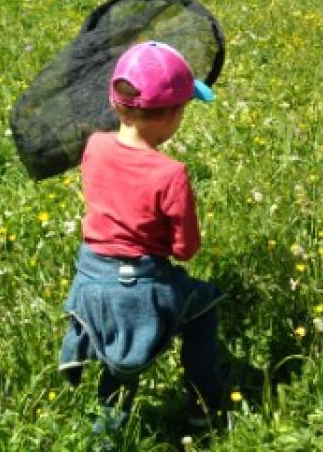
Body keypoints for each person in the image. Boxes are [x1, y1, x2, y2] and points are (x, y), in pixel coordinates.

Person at [58, 41, 224, 434]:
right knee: (204, 306)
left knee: (121, 357)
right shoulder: (170, 173)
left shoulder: (94, 145)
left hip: (90, 278)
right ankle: (204, 409)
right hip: (140, 286)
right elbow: (186, 250)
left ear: (116, 103)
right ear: (171, 116)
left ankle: (105, 431)